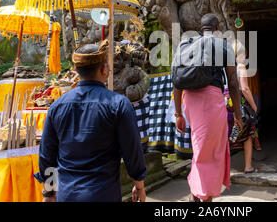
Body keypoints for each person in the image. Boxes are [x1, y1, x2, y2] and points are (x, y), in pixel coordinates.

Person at [34, 40, 147, 202]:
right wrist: (139, 184)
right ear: (104, 69)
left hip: (67, 195)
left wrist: (49, 193)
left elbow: (47, 156)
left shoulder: (57, 106)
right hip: (103, 194)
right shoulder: (119, 104)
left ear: (76, 70)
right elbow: (132, 151)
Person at [174, 13, 243, 202]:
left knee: (201, 147)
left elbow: (177, 80)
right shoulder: (223, 46)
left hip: (190, 101)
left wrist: (178, 113)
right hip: (211, 101)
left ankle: (197, 194)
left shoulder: (185, 45)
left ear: (201, 27)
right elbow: (233, 83)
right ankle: (203, 196)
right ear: (217, 28)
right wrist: (238, 115)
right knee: (211, 151)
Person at [226, 46, 262, 174]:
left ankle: (224, 169)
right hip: (238, 105)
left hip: (225, 105)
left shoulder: (224, 67)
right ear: (239, 55)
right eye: (245, 55)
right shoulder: (240, 67)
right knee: (247, 135)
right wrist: (254, 106)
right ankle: (248, 166)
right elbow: (245, 89)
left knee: (228, 136)